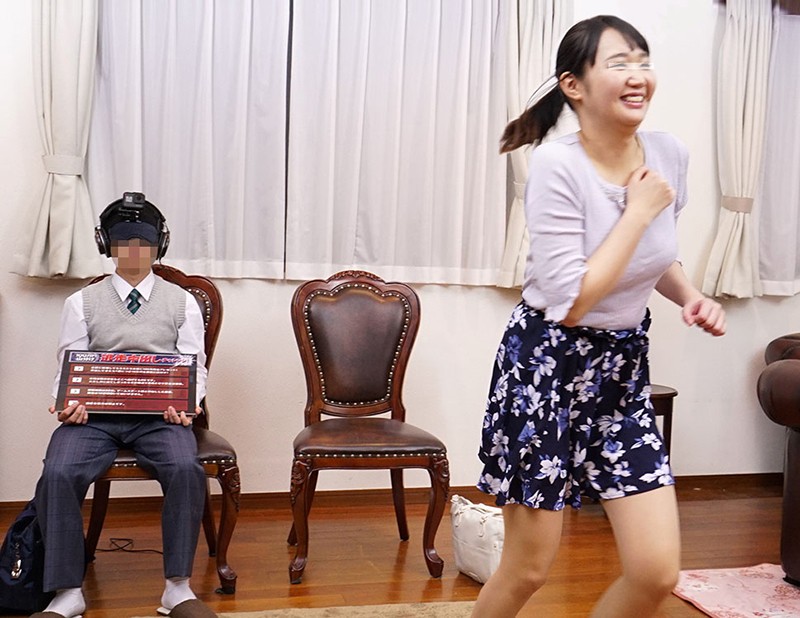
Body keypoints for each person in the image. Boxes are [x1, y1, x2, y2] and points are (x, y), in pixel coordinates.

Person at [473, 15, 726, 618]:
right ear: (574, 85)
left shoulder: (668, 155)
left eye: (643, 61)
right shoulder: (557, 166)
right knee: (528, 569)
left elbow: (653, 258)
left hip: (621, 373)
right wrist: (636, 211)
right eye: (619, 63)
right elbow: (574, 301)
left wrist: (689, 294)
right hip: (546, 369)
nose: (638, 75)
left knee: (656, 572)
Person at [32, 193, 216, 618]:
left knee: (185, 468)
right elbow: (69, 362)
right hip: (93, 420)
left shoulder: (182, 302)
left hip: (161, 418)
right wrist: (68, 403)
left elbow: (195, 365)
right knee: (58, 471)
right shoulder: (81, 302)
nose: (134, 252)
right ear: (107, 246)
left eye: (143, 243)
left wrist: (188, 404)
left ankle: (177, 588)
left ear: (158, 246)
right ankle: (67, 592)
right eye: (124, 243)